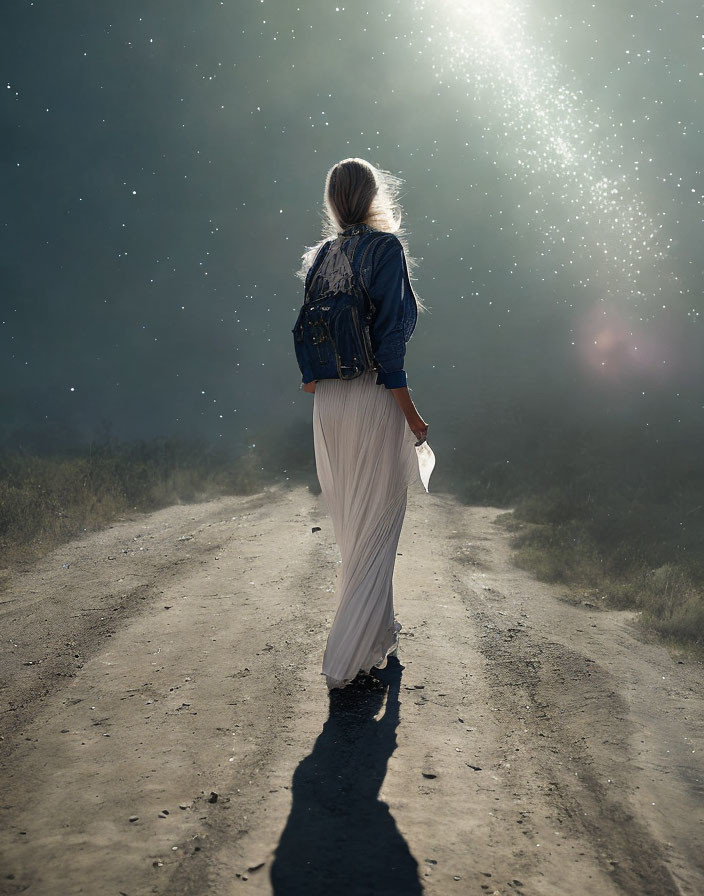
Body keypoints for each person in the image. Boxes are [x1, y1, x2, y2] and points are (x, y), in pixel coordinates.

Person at [294, 157, 429, 691]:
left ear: (332, 200)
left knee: (354, 522)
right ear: (374, 196)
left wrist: (318, 385)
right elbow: (391, 341)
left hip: (328, 401)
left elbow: (311, 340)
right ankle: (346, 657)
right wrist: (412, 415)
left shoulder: (322, 256)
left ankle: (378, 637)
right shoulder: (386, 250)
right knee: (381, 521)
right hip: (374, 397)